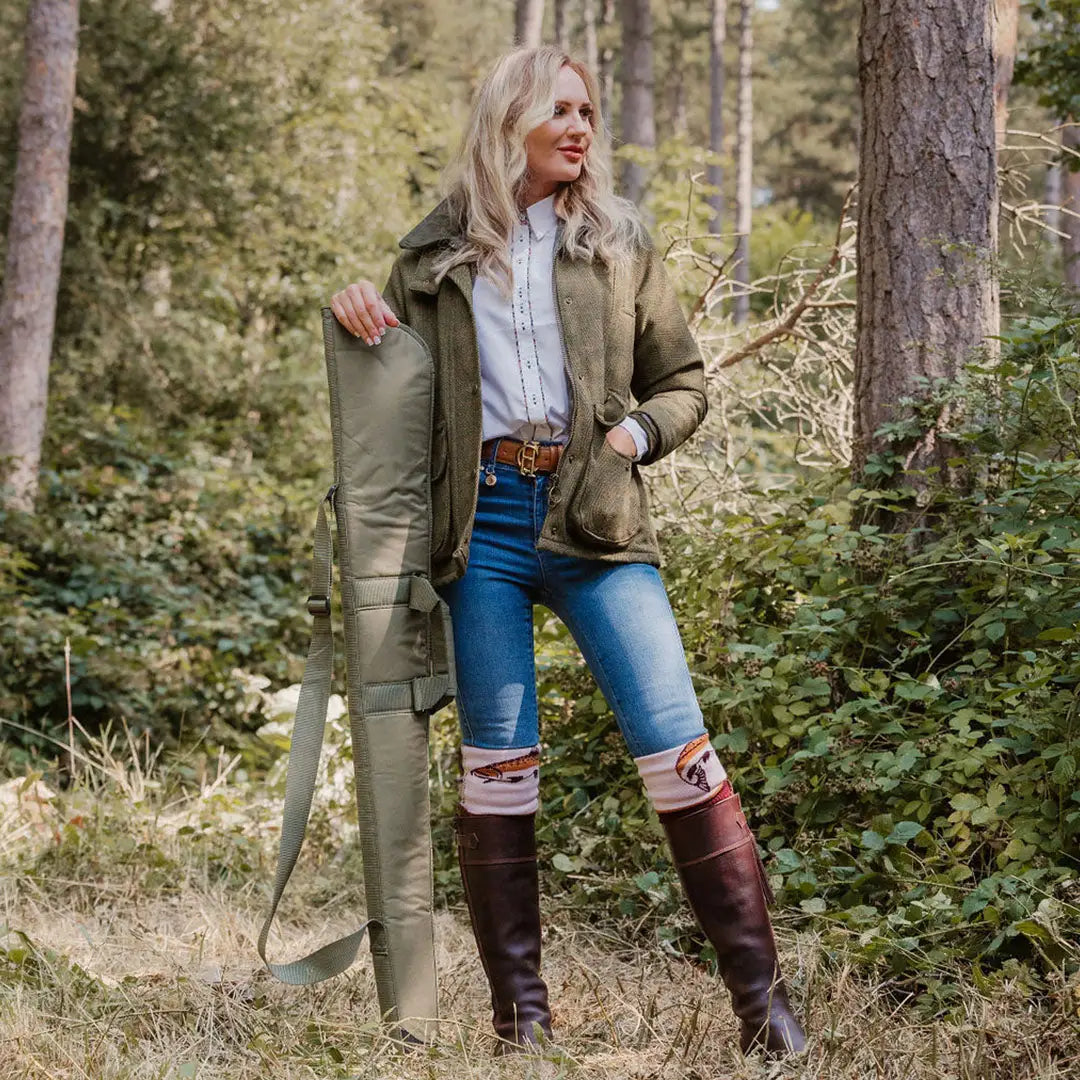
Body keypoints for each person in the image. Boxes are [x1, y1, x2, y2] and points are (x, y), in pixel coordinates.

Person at [329, 45, 807, 1059]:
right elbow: (396, 399)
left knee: (682, 755)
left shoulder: (618, 239)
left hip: (599, 522)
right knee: (497, 773)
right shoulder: (428, 260)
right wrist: (359, 321)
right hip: (483, 530)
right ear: (510, 121)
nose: (582, 126)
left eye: (589, 108)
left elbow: (681, 378)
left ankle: (765, 1017)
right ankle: (522, 1025)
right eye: (561, 109)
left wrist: (632, 438)